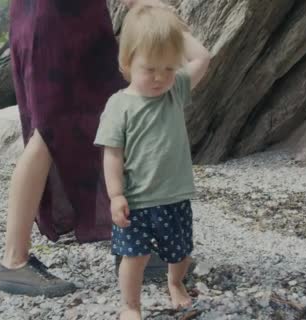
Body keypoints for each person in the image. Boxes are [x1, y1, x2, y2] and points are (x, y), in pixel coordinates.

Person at [0, 0, 173, 298]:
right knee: (50, 130)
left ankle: (129, 247)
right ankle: (13, 261)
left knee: (108, 118)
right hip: (58, 20)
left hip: (59, 18)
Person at [94, 5, 211, 319]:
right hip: (138, 200)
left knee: (181, 252)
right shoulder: (119, 105)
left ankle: (175, 284)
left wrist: (176, 30)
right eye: (150, 69)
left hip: (175, 196)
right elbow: (112, 154)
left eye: (169, 68)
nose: (160, 78)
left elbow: (203, 58)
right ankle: (130, 305)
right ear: (128, 61)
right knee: (134, 258)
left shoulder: (175, 91)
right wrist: (116, 195)